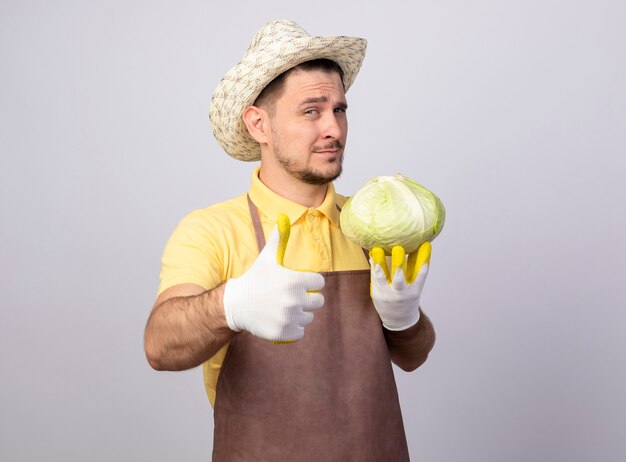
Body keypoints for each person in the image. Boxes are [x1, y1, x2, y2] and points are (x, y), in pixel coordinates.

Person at [144, 19, 436, 461]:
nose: (334, 130)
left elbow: (414, 356)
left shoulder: (370, 224)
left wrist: (404, 318)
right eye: (311, 111)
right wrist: (232, 304)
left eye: (339, 109)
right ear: (259, 124)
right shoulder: (213, 230)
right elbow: (160, 346)